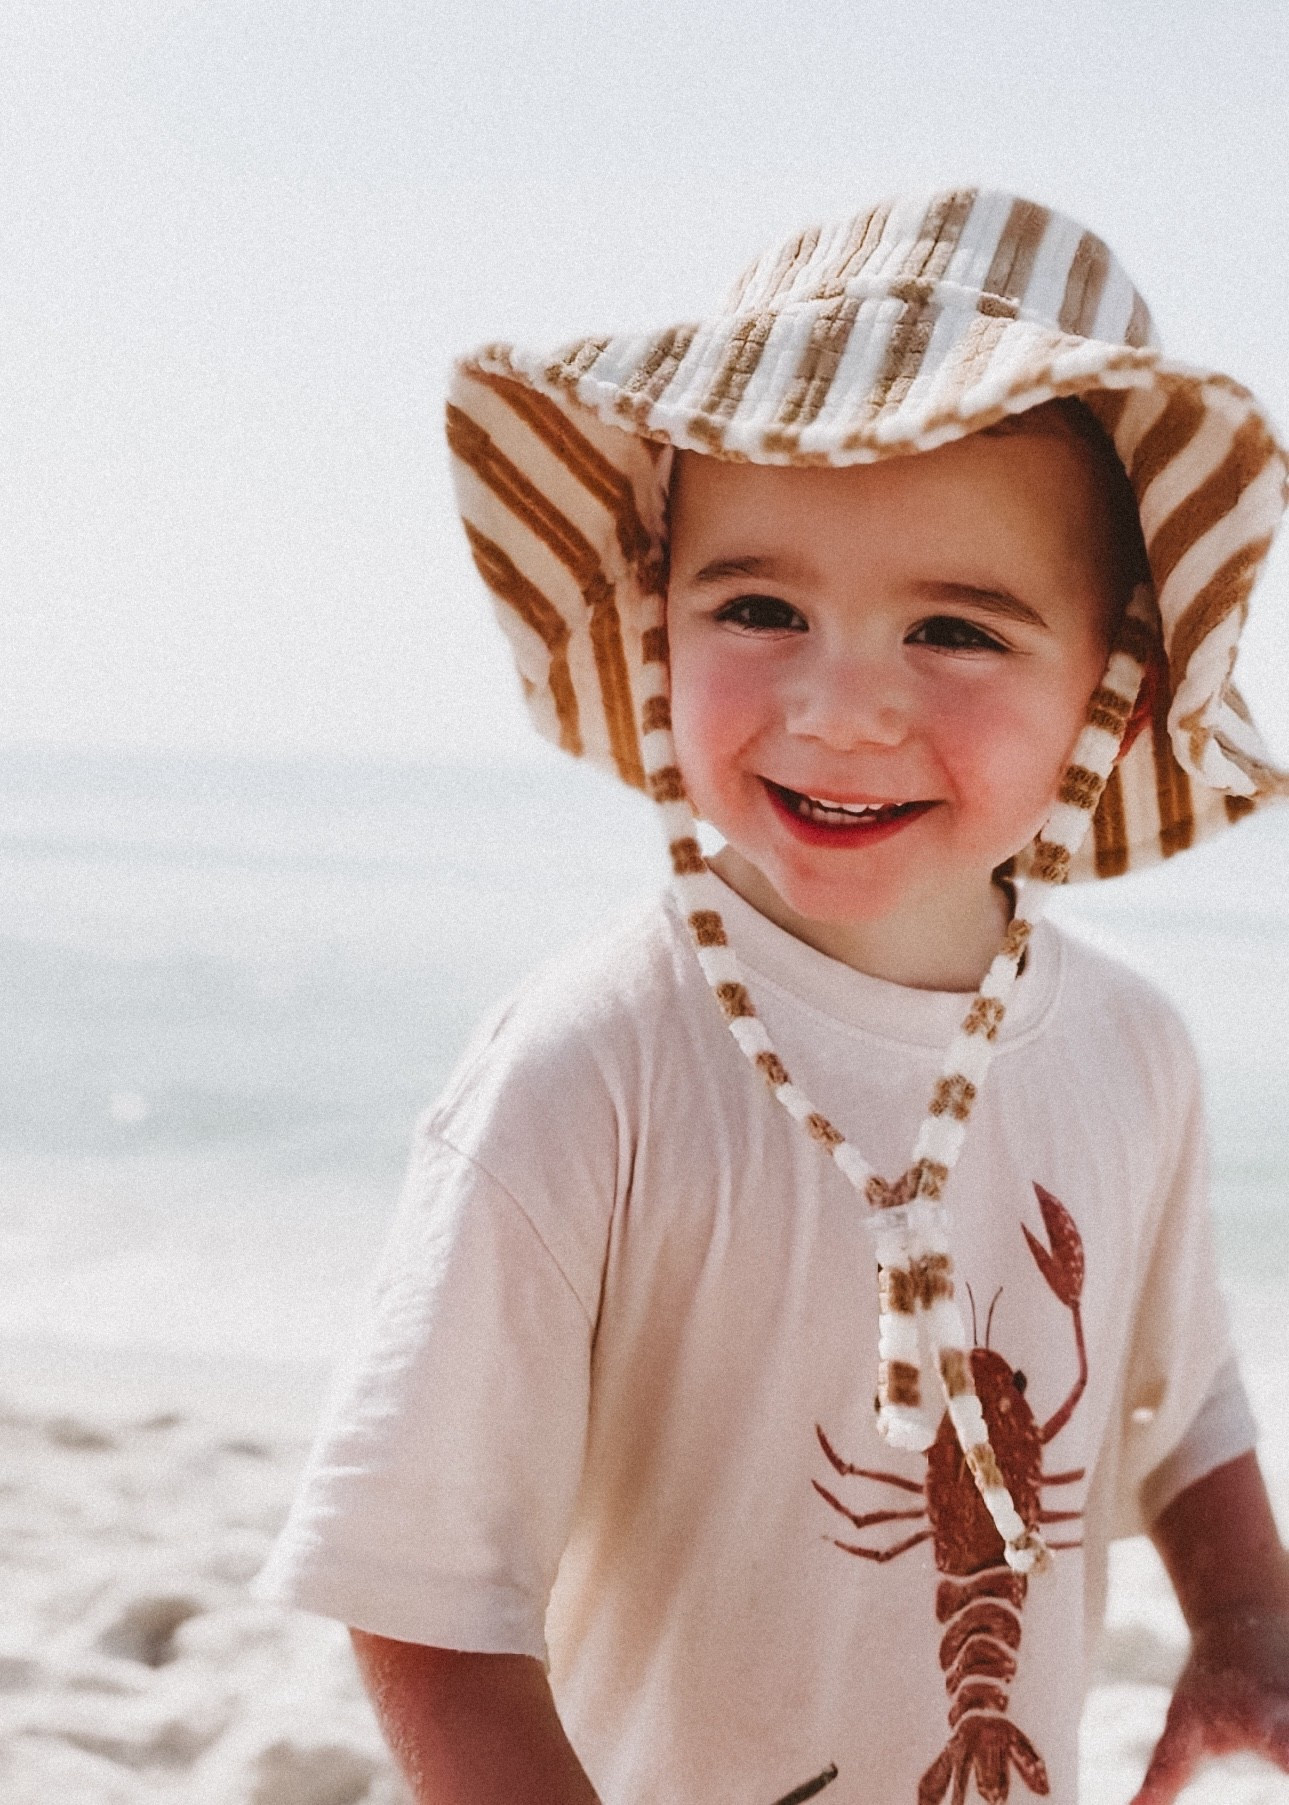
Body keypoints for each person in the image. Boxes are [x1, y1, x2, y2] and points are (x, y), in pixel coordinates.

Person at [257, 190, 1289, 1803]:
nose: (840, 705)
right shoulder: (593, 1063)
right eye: (757, 608)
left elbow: (1177, 1389)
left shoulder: (1131, 1051)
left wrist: (1241, 1617)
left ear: (1114, 689)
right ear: (656, 617)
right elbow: (422, 1588)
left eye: (955, 628)